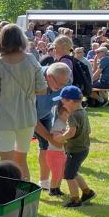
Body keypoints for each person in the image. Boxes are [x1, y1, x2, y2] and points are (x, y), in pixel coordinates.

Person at [0, 24, 46, 180]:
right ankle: (26, 201)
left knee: (6, 164)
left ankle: (10, 199)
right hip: (27, 117)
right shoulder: (31, 60)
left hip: (4, 119)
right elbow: (42, 89)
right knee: (21, 161)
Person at [48, 85, 95, 208]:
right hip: (83, 148)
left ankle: (75, 200)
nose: (62, 105)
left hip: (75, 150)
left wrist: (61, 137)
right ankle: (87, 192)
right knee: (73, 172)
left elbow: (71, 132)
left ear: (71, 101)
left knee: (68, 175)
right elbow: (88, 131)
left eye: (63, 102)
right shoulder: (83, 112)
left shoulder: (72, 115)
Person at [34, 62, 70, 196]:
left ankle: (43, 182)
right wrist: (51, 138)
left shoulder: (62, 82)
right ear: (48, 77)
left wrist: (65, 127)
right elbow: (32, 119)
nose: (61, 87)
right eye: (59, 84)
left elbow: (64, 105)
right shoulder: (35, 81)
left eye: (64, 84)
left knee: (45, 147)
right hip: (25, 118)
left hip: (45, 115)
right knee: (20, 149)